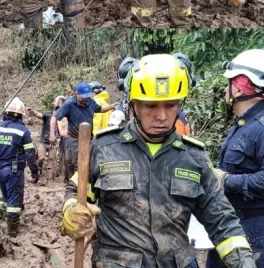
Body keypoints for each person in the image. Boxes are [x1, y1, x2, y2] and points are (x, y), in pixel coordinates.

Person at [61, 53, 257, 268]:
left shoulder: (194, 157)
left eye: (171, 105)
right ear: (133, 104)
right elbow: (76, 189)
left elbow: (222, 220)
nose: (162, 116)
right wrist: (71, 209)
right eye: (151, 106)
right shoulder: (104, 148)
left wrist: (244, 262)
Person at [209, 50, 264, 267]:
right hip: (234, 225)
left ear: (242, 86)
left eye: (230, 82)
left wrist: (226, 180)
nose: (226, 88)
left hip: (255, 233)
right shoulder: (244, 123)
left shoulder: (260, 127)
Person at [0, 97, 39, 236]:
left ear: (6, 112)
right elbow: (30, 153)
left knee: (6, 197)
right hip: (14, 170)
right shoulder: (23, 130)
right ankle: (13, 230)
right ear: (20, 115)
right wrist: (35, 170)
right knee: (13, 200)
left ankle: (8, 221)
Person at [54, 82, 113, 180]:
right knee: (79, 163)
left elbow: (99, 109)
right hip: (74, 140)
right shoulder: (69, 104)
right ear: (77, 94)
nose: (85, 99)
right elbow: (55, 117)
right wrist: (52, 135)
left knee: (90, 162)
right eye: (83, 97)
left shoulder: (90, 101)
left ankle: (84, 184)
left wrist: (112, 106)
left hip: (89, 139)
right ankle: (77, 186)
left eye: (87, 96)